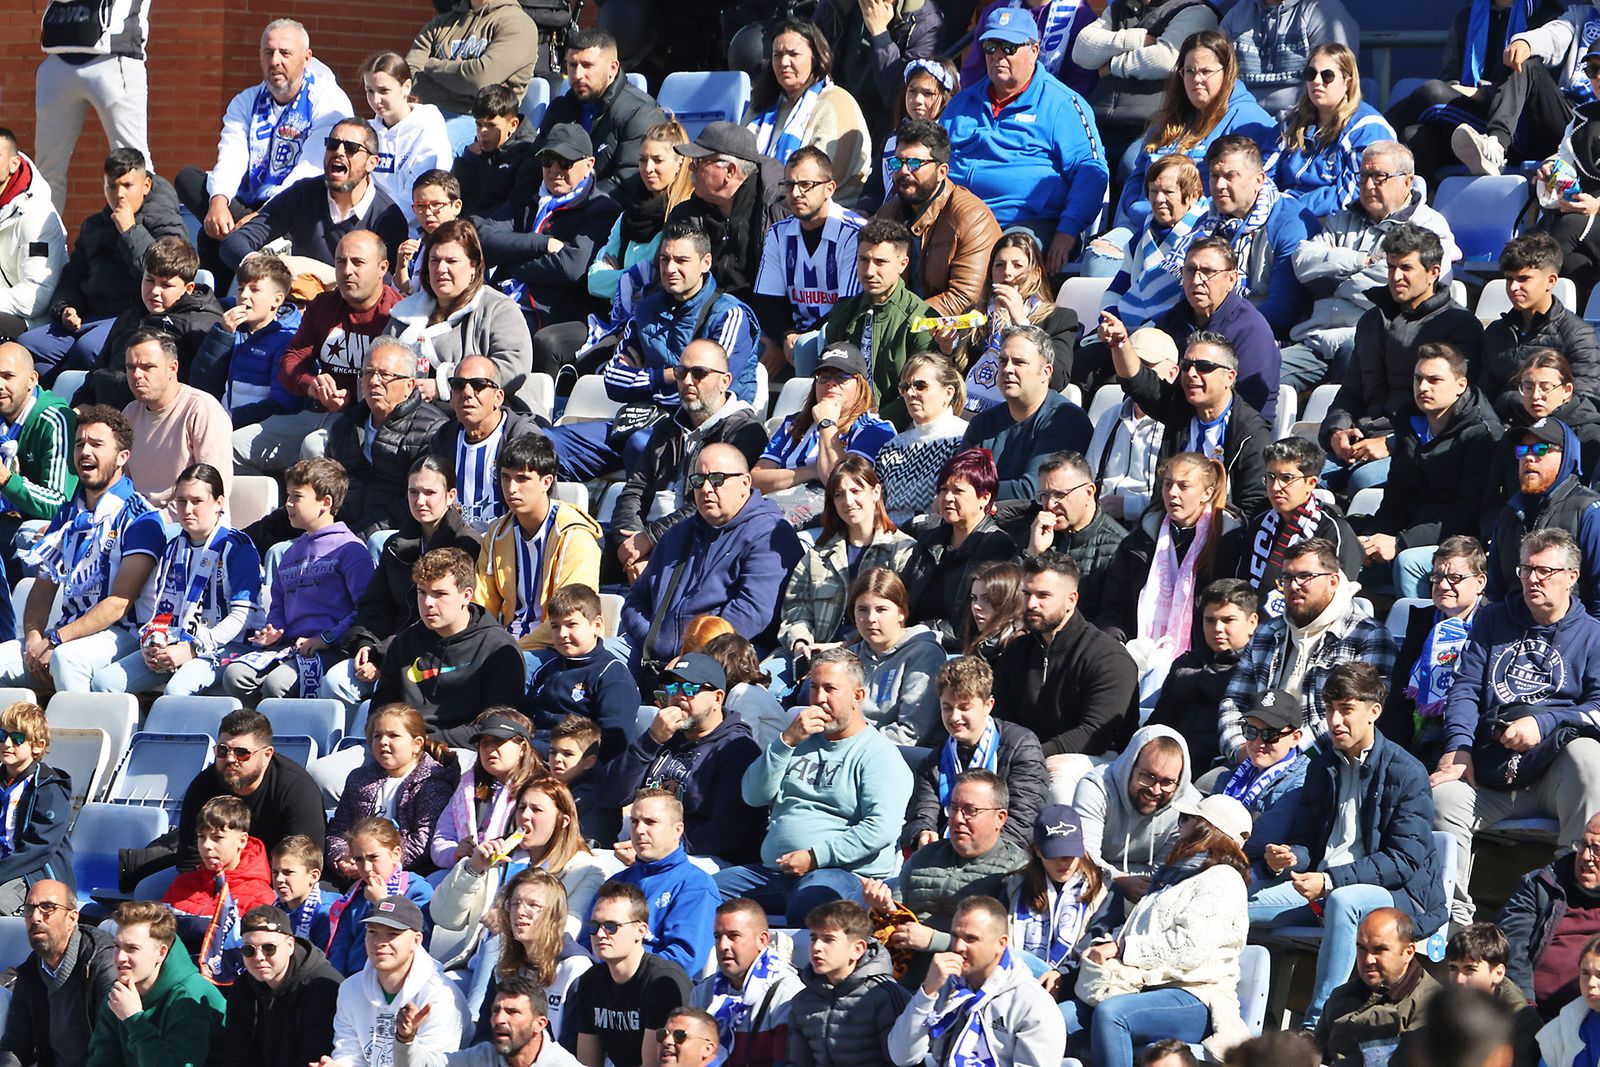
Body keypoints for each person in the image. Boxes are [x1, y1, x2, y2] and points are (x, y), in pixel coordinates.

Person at [1251, 663, 1446, 1029]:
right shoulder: (1322, 766)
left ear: (1374, 712)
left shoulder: (1407, 772)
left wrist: (1329, 881)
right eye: (1328, 709)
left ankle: (1318, 1028)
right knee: (1234, 907)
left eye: (1346, 709)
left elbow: (1404, 860)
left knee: (1345, 901)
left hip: (1398, 896)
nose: (1335, 720)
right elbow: (1310, 843)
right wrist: (1293, 856)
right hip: (1324, 887)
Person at [1434, 526, 1600, 928]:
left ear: (1572, 577)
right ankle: (1449, 923)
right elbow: (1466, 689)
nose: (1533, 580)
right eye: (1527, 569)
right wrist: (1459, 746)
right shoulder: (1493, 620)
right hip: (1492, 769)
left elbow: (1598, 706)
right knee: (1442, 799)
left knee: (1590, 757)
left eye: (1544, 571)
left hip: (1554, 774)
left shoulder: (1593, 636)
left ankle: (1570, 911)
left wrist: (1544, 722)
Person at [713, 648, 915, 925]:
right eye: (814, 687)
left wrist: (815, 857)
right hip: (774, 873)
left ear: (858, 696)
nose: (819, 698)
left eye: (830, 689)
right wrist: (785, 742)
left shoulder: (879, 755)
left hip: (843, 876)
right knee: (700, 894)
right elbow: (752, 795)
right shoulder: (797, 740)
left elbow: (880, 828)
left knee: (810, 903)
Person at [1073, 793, 1255, 1064]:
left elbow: (1188, 948)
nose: (1179, 826)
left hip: (1197, 996)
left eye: (1186, 819)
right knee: (1056, 1015)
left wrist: (1121, 948)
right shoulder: (1173, 876)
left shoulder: (1223, 880)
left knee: (1112, 1015)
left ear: (1206, 829)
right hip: (1144, 988)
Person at [571, 225, 761, 484]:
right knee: (546, 445)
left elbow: (708, 389)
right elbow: (613, 381)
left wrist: (643, 378)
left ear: (706, 263)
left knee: (641, 445)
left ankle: (640, 521)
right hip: (643, 418)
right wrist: (666, 376)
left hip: (703, 432)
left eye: (681, 260)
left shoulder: (729, 314)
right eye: (664, 259)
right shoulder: (646, 310)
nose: (670, 268)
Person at [174, 21, 354, 287]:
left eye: (285, 53)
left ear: (307, 58)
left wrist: (264, 216)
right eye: (268, 53)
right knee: (189, 180)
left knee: (211, 235)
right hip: (246, 203)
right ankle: (230, 266)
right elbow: (231, 154)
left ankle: (220, 289)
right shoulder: (247, 100)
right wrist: (219, 202)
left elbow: (309, 170)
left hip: (294, 207)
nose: (275, 61)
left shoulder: (328, 101)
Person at [0, 405, 163, 694]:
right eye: (79, 443)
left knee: (66, 661)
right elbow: (43, 586)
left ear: (122, 457)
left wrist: (56, 640)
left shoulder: (141, 517)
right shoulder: (67, 514)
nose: (85, 451)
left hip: (122, 634)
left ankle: (79, 737)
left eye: (97, 444)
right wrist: (35, 639)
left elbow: (118, 604)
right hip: (66, 633)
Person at [1279, 141, 1460, 392]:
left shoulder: (1429, 226)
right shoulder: (1340, 219)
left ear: (1407, 182)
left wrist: (1331, 282)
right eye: (1363, 175)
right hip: (1316, 338)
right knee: (1257, 375)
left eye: (1379, 177)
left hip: (1372, 341)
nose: (1368, 185)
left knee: (1349, 369)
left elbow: (1397, 292)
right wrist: (1362, 262)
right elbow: (1302, 262)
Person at [1319, 225, 1485, 493]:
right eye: (1391, 267)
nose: (1396, 276)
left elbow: (1458, 407)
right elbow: (1351, 389)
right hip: (1361, 441)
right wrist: (1336, 431)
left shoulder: (1459, 326)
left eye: (1406, 268)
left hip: (1415, 448)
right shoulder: (1370, 321)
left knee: (1363, 483)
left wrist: (1392, 443)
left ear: (1433, 273)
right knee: (1299, 476)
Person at [940, 7, 1109, 270]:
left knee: (992, 257)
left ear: (1035, 50)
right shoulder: (962, 102)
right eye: (990, 46)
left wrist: (1068, 231)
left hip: (1023, 225)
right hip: (955, 219)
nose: (997, 55)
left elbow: (1092, 170)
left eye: (1008, 47)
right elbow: (932, 160)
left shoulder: (1062, 104)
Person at [621, 443, 804, 680]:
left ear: (745, 483)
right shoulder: (678, 535)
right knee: (598, 663)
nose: (706, 488)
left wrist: (693, 657)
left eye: (717, 479)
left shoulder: (769, 533)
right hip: (654, 654)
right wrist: (652, 639)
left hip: (725, 658)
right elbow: (636, 600)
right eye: (699, 480)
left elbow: (752, 611)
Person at [233, 230, 402, 475]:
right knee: (234, 446)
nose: (347, 271)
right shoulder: (323, 305)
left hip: (368, 421)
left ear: (382, 268)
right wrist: (312, 386)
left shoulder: (397, 313)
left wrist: (353, 399)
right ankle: (279, 507)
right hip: (318, 412)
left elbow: (404, 385)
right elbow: (290, 361)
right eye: (341, 262)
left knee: (314, 447)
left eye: (358, 262)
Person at [1217, 538, 1396, 763]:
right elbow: (1234, 700)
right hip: (1255, 756)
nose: (1293, 585)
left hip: (1320, 764)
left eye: (1305, 576)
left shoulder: (1368, 636)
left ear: (1333, 581)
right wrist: (1241, 749)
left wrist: (1286, 754)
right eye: (1287, 578)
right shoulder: (1267, 632)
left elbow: (1358, 715)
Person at [91, 464, 262, 697]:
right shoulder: (173, 547)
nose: (188, 509)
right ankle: (138, 733)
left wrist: (192, 648)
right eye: (181, 501)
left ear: (219, 502)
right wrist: (153, 642)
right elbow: (158, 608)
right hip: (177, 641)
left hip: (230, 647)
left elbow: (242, 617)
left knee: (176, 691)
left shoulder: (238, 547)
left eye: (197, 501)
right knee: (105, 682)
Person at [22, 148, 185, 380]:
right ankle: (54, 402)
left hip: (132, 317)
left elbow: (162, 273)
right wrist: (66, 307)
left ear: (146, 185)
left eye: (128, 186)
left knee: (86, 349)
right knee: (29, 345)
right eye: (111, 186)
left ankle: (80, 404)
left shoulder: (165, 222)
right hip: (88, 316)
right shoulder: (94, 225)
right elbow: (73, 275)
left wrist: (130, 231)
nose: (119, 194)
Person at [220, 458, 374, 702]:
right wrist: (274, 629)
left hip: (330, 649)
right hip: (289, 647)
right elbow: (279, 602)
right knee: (236, 675)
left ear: (326, 502)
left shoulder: (351, 549)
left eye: (297, 497)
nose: (288, 504)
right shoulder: (291, 551)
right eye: (288, 495)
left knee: (276, 684)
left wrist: (326, 638)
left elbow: (364, 609)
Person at [1361, 343, 1505, 598]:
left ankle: (1414, 632)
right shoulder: (1409, 421)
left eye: (1434, 380)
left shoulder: (1482, 434)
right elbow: (1396, 497)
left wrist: (1400, 542)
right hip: (1413, 531)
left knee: (1408, 562)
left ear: (1461, 385)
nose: (1423, 387)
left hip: (1461, 541)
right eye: (1418, 379)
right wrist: (1374, 538)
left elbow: (1468, 514)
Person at [336, 455, 483, 702]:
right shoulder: (395, 546)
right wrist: (365, 644)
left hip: (436, 652)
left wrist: (382, 654)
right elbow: (375, 604)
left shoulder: (467, 546)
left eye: (429, 492)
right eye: (413, 492)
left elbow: (445, 619)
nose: (420, 501)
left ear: (450, 496)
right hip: (386, 647)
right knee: (336, 681)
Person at [598, 652, 766, 864]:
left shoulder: (737, 749)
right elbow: (609, 796)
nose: (678, 696)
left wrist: (658, 850)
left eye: (690, 688)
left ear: (718, 697)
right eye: (672, 688)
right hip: (651, 843)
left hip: (706, 858)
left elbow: (726, 833)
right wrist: (650, 741)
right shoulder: (663, 734)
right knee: (588, 867)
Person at [1102, 318, 1271, 519]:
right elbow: (1137, 382)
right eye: (1186, 365)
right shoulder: (1179, 406)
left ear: (1230, 377)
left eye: (1204, 367)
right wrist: (1119, 343)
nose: (1191, 373)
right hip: (1165, 527)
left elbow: (1253, 506)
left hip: (1222, 536)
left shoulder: (1250, 432)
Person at [1096, 453, 1244, 678]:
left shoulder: (1230, 543)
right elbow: (1114, 606)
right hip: (1135, 651)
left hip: (1201, 661)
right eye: (1168, 484)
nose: (1173, 493)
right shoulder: (1141, 541)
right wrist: (1115, 642)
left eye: (1184, 486)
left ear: (1207, 493)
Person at [991, 549, 1140, 767]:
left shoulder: (1108, 657)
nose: (1031, 603)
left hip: (1097, 764)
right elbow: (1001, 718)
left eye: (1043, 595)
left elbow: (1095, 734)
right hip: (1025, 758)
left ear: (1071, 600)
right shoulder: (1016, 651)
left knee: (1059, 769)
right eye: (1026, 594)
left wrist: (1028, 756)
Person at [1116, 30, 1275, 232]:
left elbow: (1250, 191)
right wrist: (1135, 212)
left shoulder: (1249, 121)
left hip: (1201, 232)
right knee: (1100, 257)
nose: (1197, 79)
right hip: (1142, 224)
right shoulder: (1165, 121)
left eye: (1206, 71)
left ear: (1227, 73)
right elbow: (1137, 177)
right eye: (1189, 71)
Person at [886, 894, 1067, 1067]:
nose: (957, 947)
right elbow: (902, 1056)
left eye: (971, 939)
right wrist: (927, 993)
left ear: (1001, 943)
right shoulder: (944, 984)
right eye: (955, 936)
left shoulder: (1033, 1004)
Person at [865, 772, 1029, 958]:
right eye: (953, 808)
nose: (958, 818)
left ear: (1000, 817)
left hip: (964, 979)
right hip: (903, 970)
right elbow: (893, 924)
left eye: (970, 810)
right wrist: (885, 909)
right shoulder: (925, 856)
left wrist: (935, 941)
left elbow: (1004, 948)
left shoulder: (1016, 869)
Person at [374, 546, 527, 745]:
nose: (428, 602)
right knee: (323, 771)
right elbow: (380, 710)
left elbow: (498, 726)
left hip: (465, 753)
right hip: (402, 749)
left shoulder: (498, 648)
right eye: (422, 592)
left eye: (439, 594)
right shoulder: (404, 642)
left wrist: (426, 743)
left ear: (466, 595)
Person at [475, 125, 621, 333]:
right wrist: (541, 243)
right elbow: (483, 238)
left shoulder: (601, 208)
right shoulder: (530, 197)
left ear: (589, 164)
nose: (554, 170)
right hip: (503, 297)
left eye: (564, 162)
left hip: (550, 312)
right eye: (547, 161)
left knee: (497, 332)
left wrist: (507, 260)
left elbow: (572, 269)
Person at [386, 219, 538, 413]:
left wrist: (445, 384)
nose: (441, 269)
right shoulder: (404, 313)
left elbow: (512, 368)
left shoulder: (499, 310)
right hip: (405, 421)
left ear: (473, 266)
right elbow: (378, 363)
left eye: (451, 261)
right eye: (434, 260)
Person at [220, 119, 409, 274]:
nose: (339, 152)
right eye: (333, 145)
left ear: (372, 163)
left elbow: (384, 286)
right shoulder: (303, 194)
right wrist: (262, 271)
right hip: (294, 310)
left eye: (351, 148)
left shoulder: (387, 217)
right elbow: (236, 242)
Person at [904, 654, 1046, 859]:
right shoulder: (934, 760)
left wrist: (980, 857)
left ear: (988, 705)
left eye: (964, 707)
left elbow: (1024, 819)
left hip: (1002, 861)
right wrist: (923, 832)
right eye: (947, 707)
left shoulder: (1021, 746)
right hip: (944, 856)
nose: (954, 717)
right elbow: (923, 810)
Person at [778, 454, 914, 666]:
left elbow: (902, 618)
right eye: (839, 495)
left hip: (869, 657)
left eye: (855, 491)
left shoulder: (902, 551)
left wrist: (844, 645)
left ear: (876, 492)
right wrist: (800, 642)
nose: (847, 501)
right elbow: (796, 607)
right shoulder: (818, 555)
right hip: (809, 655)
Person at [473, 432, 602, 655]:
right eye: (505, 477)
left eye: (522, 478)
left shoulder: (575, 536)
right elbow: (481, 604)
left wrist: (508, 650)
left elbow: (572, 615)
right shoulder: (497, 533)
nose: (511, 488)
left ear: (547, 481)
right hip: (504, 644)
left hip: (555, 647)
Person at [71, 238, 225, 411]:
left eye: (166, 285)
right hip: (104, 411)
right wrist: (80, 405)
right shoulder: (131, 315)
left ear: (188, 288)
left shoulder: (198, 325)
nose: (154, 291)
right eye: (149, 280)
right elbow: (98, 369)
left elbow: (199, 388)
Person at [33, 0, 152, 219]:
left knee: (135, 164)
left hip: (116, 53)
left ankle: (148, 246)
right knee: (46, 171)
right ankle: (43, 249)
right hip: (58, 54)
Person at [1448, 3, 1596, 177]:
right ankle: (1496, 147)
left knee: (1432, 94)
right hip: (1571, 116)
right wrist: (1525, 42)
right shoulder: (1582, 14)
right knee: (1525, 63)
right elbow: (1554, 35)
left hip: (1596, 120)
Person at [323, 340, 451, 537]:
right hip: (342, 531)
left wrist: (358, 536)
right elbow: (324, 488)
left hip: (395, 537)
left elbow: (417, 503)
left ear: (409, 385)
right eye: (368, 373)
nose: (374, 381)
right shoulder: (345, 427)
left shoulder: (431, 430)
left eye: (385, 375)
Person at [1071, 0, 1220, 168]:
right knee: (1069, 165)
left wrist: (1112, 65)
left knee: (1132, 165)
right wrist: (1137, 39)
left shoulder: (1195, 9)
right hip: (1099, 120)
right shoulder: (1120, 8)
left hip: (1151, 125)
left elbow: (1168, 59)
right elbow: (1081, 50)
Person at [875, 120, 1000, 318]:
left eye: (915, 163)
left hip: (951, 335)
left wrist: (902, 322)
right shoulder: (887, 214)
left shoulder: (972, 218)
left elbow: (964, 298)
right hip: (896, 325)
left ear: (942, 172)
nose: (904, 171)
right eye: (898, 162)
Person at [941, 232, 1078, 412]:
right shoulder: (977, 315)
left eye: (1017, 265)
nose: (1007, 272)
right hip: (964, 410)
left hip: (1019, 418)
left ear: (1036, 274)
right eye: (999, 265)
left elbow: (1058, 379)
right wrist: (948, 348)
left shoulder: (1059, 319)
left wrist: (1022, 323)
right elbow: (956, 375)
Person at [751, 147, 864, 367]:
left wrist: (801, 340)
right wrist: (787, 335)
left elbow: (848, 305)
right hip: (791, 337)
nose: (795, 194)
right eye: (789, 185)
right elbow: (766, 299)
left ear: (830, 188)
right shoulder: (778, 232)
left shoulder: (855, 232)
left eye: (806, 185)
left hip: (839, 336)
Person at [458, 867, 595, 1047]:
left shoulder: (576, 968)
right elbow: (485, 1040)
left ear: (554, 914)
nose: (520, 911)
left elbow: (574, 1049)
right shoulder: (503, 969)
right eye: (515, 903)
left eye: (533, 905)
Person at [1382, 536, 1489, 766]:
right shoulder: (1422, 621)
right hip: (1418, 735)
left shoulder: (1493, 624)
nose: (1442, 585)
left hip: (1469, 739)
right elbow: (1400, 695)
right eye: (1437, 577)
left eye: (1455, 578)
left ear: (1480, 582)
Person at [812, 221, 931, 427]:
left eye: (880, 262)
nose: (868, 271)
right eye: (863, 260)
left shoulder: (920, 319)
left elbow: (919, 393)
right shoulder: (843, 311)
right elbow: (828, 376)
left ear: (903, 264)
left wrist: (873, 425)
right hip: (840, 421)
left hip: (895, 428)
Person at [325, 896, 468, 1066]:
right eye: (372, 932)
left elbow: (436, 1063)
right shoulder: (350, 989)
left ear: (416, 941)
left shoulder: (439, 994)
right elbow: (348, 1055)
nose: (379, 942)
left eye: (393, 934)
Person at [1189, 135, 1309, 339]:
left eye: (1230, 176)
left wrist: (1213, 336)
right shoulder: (1207, 222)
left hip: (1262, 337)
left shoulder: (1289, 222)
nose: (1219, 185)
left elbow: (1283, 310)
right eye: (1214, 176)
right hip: (1208, 331)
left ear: (1259, 180)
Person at [960, 325, 1093, 504]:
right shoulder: (982, 423)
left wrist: (971, 491)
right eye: (1003, 361)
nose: (1007, 369)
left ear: (1046, 372)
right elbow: (958, 479)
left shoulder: (1064, 419)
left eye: (1019, 362)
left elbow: (1033, 491)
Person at [1266, 44, 1396, 224]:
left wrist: (1290, 208)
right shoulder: (1290, 123)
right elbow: (1262, 177)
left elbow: (1353, 195)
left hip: (1336, 223)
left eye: (1327, 76)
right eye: (1310, 74)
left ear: (1347, 83)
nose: (1317, 81)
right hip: (1279, 217)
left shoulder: (1368, 129)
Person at [744, 20, 872, 203]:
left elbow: (818, 178)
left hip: (824, 214)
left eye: (793, 54)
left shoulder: (837, 102)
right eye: (777, 55)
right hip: (761, 208)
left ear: (816, 57)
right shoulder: (761, 104)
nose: (784, 62)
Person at [900, 448, 1017, 648]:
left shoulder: (997, 546)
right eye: (944, 489)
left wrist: (916, 633)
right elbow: (903, 596)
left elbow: (969, 625)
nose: (947, 498)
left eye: (958, 491)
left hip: (953, 650)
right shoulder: (930, 539)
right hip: (910, 641)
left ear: (984, 498)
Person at [84, 902, 225, 1067]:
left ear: (161, 952)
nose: (119, 957)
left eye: (132, 948)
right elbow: (102, 1060)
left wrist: (134, 1020)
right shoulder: (120, 992)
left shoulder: (191, 996)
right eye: (117, 946)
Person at [327, 704, 459, 879]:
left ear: (417, 744)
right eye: (377, 736)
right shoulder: (359, 779)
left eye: (393, 736)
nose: (383, 742)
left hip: (408, 874)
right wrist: (343, 857)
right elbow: (339, 829)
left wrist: (377, 864)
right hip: (359, 868)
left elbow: (423, 843)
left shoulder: (433, 783)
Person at [571, 881, 694, 1067]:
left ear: (641, 931)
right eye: (594, 925)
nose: (600, 934)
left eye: (611, 926)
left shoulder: (661, 982)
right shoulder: (591, 981)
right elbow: (587, 1063)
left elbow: (652, 1064)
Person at [1072, 725, 1199, 903]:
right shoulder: (1096, 788)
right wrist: (1118, 881)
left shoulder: (1189, 807)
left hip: (1151, 894)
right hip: (1092, 886)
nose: (1155, 790)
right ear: (1129, 765)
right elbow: (1081, 857)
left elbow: (1165, 873)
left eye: (1167, 782)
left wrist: (1121, 877)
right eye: (1147, 776)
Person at [1486, 417, 1600, 615]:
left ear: (1567, 457)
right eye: (1522, 450)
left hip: (1572, 635)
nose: (1529, 457)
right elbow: (1496, 593)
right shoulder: (1509, 513)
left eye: (1541, 449)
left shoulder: (1589, 511)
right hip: (1512, 634)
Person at [0, 343, 75, 645]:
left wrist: (7, 480)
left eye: (8, 376)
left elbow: (58, 503)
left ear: (32, 380)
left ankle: (6, 643)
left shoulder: (54, 420)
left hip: (45, 530)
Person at [666, 122, 788, 306]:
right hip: (700, 318)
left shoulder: (777, 209)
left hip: (766, 322)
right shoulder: (685, 215)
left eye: (699, 161)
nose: (690, 168)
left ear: (729, 171)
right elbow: (666, 281)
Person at [1090, 155, 1208, 343]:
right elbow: (1119, 285)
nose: (1159, 199)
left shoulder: (1204, 235)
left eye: (1169, 192)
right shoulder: (1143, 234)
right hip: (1126, 330)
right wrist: (1111, 320)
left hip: (1175, 334)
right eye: (1153, 191)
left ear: (1193, 195)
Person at [1480, 231, 1600, 416]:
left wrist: (1511, 400)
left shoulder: (1578, 335)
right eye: (1509, 279)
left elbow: (1585, 400)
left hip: (1553, 437)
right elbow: (1481, 395)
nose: (1513, 288)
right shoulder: (1496, 332)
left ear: (1550, 281)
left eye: (1523, 279)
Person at [1238, 437, 1361, 616]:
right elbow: (1240, 583)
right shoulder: (1260, 524)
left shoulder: (1333, 529)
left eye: (1286, 478)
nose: (1275, 487)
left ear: (1310, 483)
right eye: (1270, 477)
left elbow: (1339, 598)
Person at [536, 30, 665, 200]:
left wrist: (568, 205)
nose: (577, 75)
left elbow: (626, 184)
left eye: (587, 65)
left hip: (602, 216)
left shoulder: (641, 113)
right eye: (572, 65)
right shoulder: (560, 109)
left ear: (612, 68)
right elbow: (531, 171)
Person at [0, 880, 117, 1067]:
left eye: (48, 907)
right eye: (29, 909)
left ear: (72, 919)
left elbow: (114, 1047)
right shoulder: (30, 972)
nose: (36, 917)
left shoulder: (103, 962)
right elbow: (15, 1045)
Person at [605, 787, 721, 975]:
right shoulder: (615, 884)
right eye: (634, 822)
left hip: (658, 991)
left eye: (650, 822)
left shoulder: (696, 886)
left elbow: (683, 960)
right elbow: (589, 942)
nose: (639, 830)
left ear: (677, 830)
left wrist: (623, 972)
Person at [1147, 578, 1261, 770]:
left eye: (1228, 620)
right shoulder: (1185, 666)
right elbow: (1159, 722)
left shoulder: (1260, 672)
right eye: (1210, 620)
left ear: (1252, 622)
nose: (1217, 628)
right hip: (1166, 767)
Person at [118, 332, 233, 519]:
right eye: (131, 368)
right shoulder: (130, 413)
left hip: (186, 524)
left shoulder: (202, 409)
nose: (137, 375)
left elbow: (210, 490)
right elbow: (122, 483)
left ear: (173, 368)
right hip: (135, 520)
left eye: (147, 367)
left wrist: (153, 521)